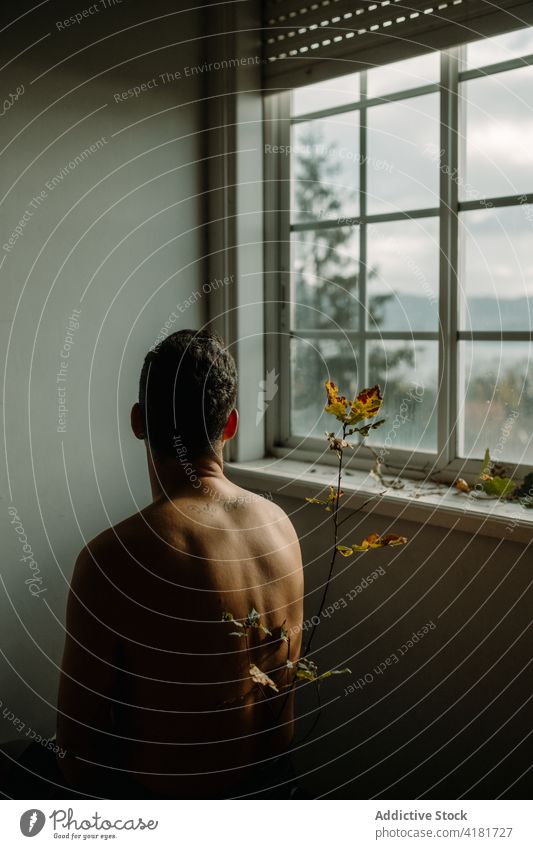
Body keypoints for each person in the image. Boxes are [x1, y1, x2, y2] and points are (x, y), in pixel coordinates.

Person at [55, 329, 304, 799]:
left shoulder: (112, 560)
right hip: (278, 795)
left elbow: (76, 754)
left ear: (137, 422)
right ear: (230, 425)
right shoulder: (279, 527)